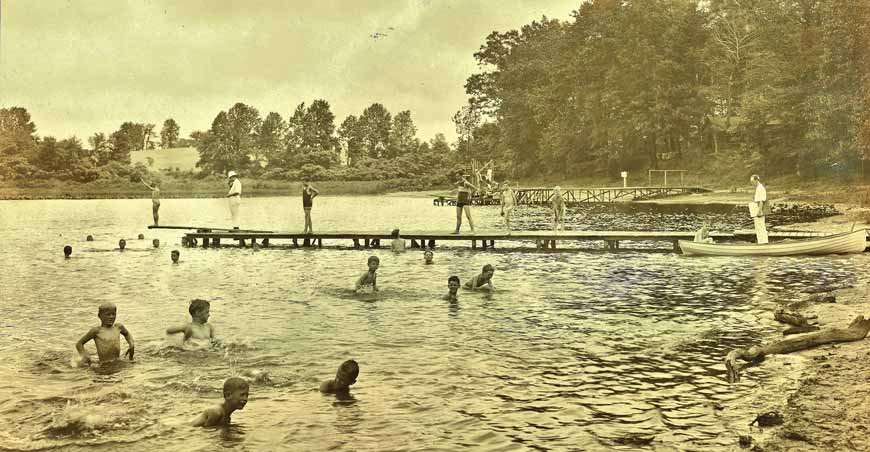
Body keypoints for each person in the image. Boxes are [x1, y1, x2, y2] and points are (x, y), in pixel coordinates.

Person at [749, 175, 769, 244]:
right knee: (759, 227)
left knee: (760, 227)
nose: (752, 183)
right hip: (757, 210)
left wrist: (759, 211)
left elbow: (761, 202)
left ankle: (763, 243)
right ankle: (761, 242)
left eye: (752, 181)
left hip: (759, 211)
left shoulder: (760, 188)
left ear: (756, 180)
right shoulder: (758, 188)